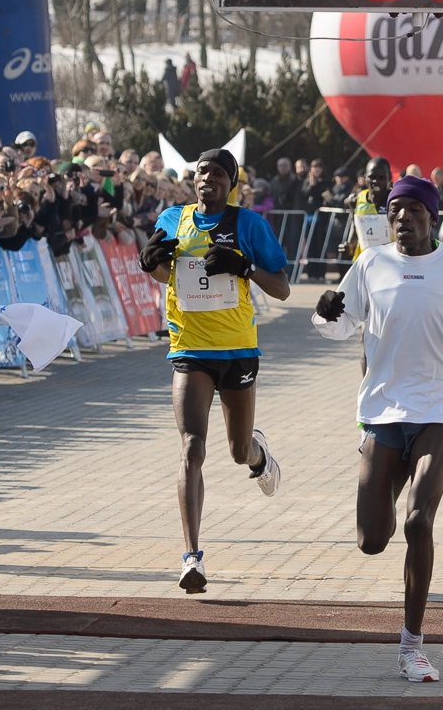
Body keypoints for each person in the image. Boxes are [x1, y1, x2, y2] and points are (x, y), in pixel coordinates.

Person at [311, 175, 443, 683]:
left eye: (413, 210)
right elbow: (338, 325)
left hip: (441, 409)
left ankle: (412, 645)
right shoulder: (370, 264)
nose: (402, 218)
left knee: (418, 522)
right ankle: (382, 473)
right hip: (383, 412)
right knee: (371, 540)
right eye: (395, 211)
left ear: (432, 217)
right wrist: (325, 311)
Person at [138, 148, 290, 594]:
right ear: (194, 179)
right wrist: (150, 263)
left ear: (232, 182)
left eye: (220, 174)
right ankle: (192, 557)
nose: (210, 179)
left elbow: (281, 288)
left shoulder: (248, 225)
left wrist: (244, 265)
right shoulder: (173, 218)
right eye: (203, 172)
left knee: (237, 450)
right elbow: (166, 272)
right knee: (191, 448)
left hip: (238, 349)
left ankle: (258, 456)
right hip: (189, 348)